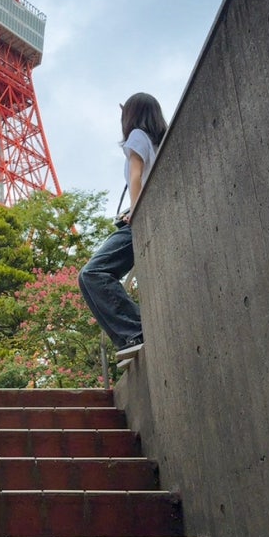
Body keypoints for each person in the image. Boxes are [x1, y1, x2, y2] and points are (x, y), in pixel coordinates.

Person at [78, 92, 167, 362]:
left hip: (139, 219)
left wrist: (135, 210)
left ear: (131, 115)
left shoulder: (136, 136)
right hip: (149, 215)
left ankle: (135, 331)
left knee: (92, 273)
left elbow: (137, 175)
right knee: (94, 275)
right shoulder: (155, 142)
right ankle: (131, 335)